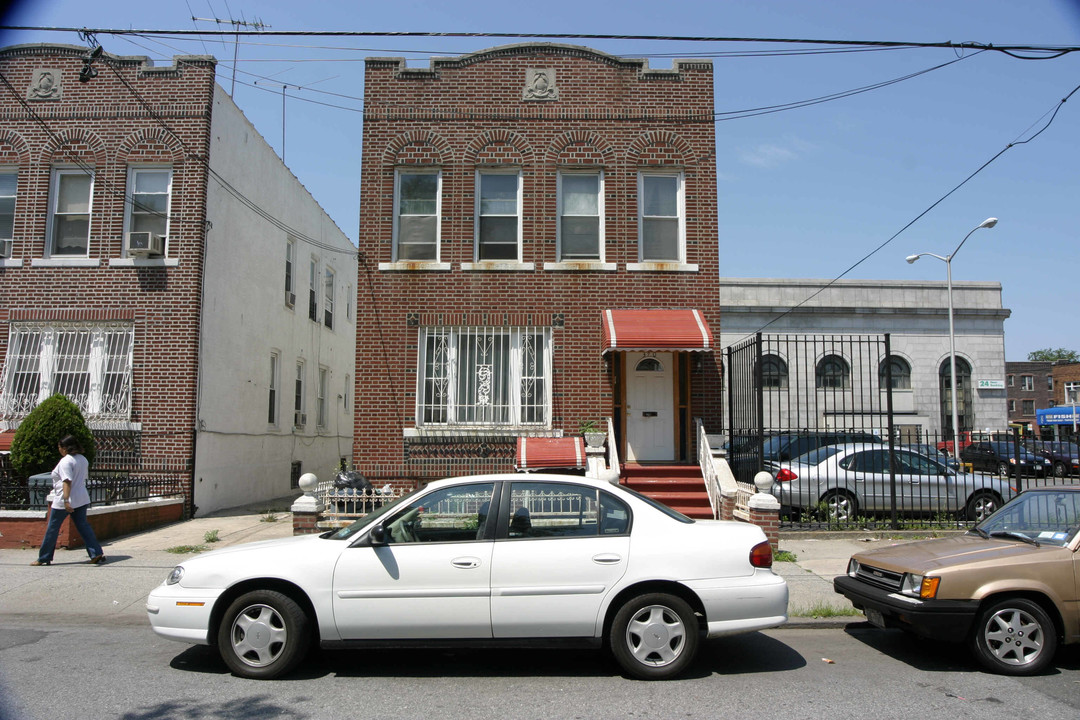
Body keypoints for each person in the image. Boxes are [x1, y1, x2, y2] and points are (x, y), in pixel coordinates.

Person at [31, 435, 106, 566]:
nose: (59, 450)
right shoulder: (82, 459)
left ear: (65, 448)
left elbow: (67, 481)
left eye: (59, 447)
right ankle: (96, 552)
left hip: (64, 499)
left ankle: (44, 557)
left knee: (52, 528)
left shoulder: (66, 461)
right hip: (81, 498)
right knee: (83, 526)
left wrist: (66, 500)